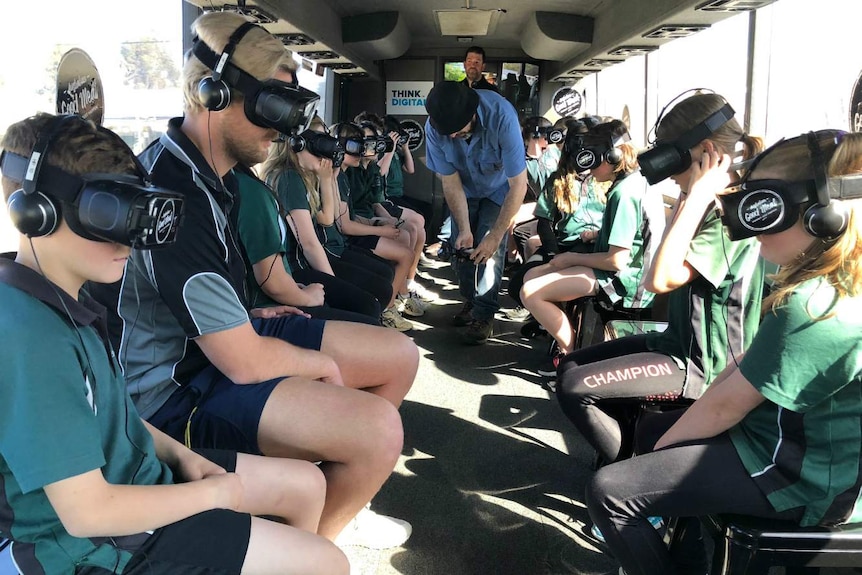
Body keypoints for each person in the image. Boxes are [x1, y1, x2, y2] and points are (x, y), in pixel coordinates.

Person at [90, 12, 417, 546]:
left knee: (399, 356)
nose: (284, 129)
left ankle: (330, 506)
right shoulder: (172, 195)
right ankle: (312, 548)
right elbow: (242, 361)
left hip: (215, 348)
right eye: (272, 108)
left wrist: (247, 316)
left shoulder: (216, 177)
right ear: (215, 94)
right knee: (378, 431)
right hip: (170, 394)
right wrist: (321, 365)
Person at [0, 112, 348, 575]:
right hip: (84, 547)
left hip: (131, 478)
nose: (129, 240)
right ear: (35, 213)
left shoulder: (67, 298)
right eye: (106, 214)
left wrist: (180, 455)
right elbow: (87, 513)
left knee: (305, 484)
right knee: (326, 563)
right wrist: (211, 494)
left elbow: (116, 419)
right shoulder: (31, 340)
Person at [586, 129, 862, 575]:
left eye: (767, 211)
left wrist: (658, 456)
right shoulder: (815, 285)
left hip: (799, 476)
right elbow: (741, 374)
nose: (752, 229)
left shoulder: (816, 306)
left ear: (823, 217)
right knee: (651, 434)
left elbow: (724, 407)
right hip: (778, 440)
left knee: (610, 491)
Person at [556, 93, 765, 466]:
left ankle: (631, 473)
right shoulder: (703, 204)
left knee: (575, 390)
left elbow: (659, 278)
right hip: (674, 340)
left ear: (703, 150)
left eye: (671, 155)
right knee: (571, 367)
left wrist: (696, 194)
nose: (665, 168)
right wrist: (691, 194)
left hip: (703, 363)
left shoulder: (729, 217)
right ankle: (630, 459)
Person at [520, 120, 665, 375]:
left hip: (626, 281)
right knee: (533, 275)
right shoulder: (636, 182)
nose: (586, 164)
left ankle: (572, 357)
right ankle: (570, 341)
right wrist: (596, 235)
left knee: (531, 292)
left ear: (610, 156)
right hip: (629, 270)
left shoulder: (624, 193)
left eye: (591, 158)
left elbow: (616, 261)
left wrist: (571, 258)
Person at [424, 80, 528, 344]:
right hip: (464, 191)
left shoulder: (502, 116)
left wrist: (494, 236)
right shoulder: (436, 128)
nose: (450, 137)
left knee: (490, 251)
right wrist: (465, 228)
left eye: (456, 131)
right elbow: (450, 180)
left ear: (472, 115)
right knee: (463, 249)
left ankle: (485, 314)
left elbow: (519, 184)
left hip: (499, 190)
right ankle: (470, 302)